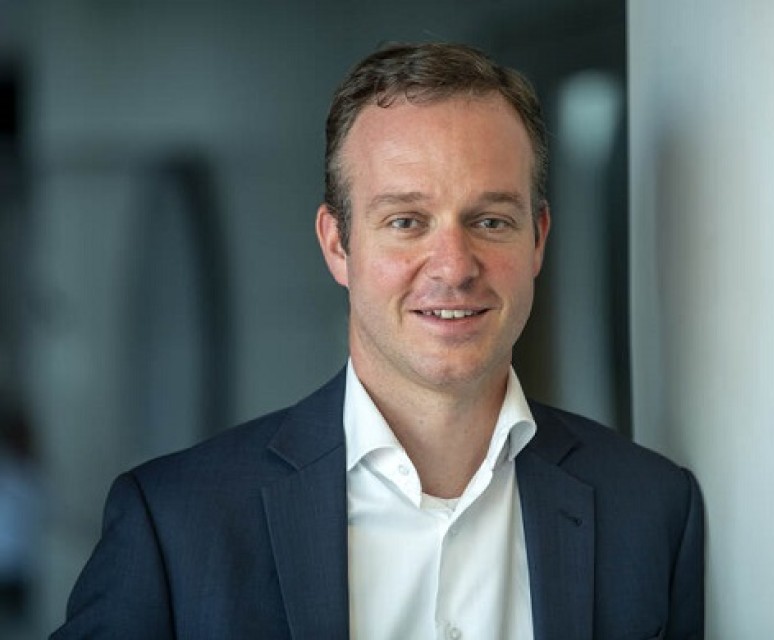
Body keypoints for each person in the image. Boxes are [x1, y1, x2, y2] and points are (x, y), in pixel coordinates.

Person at [52, 42, 703, 639]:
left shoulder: (651, 512)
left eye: (489, 221)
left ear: (537, 239)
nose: (454, 267)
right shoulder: (174, 525)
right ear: (338, 244)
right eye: (406, 221)